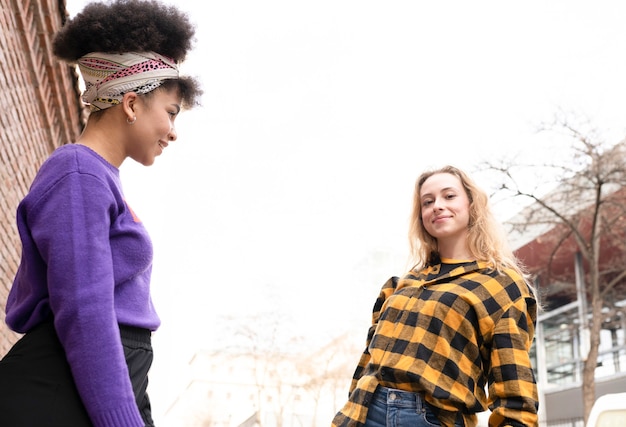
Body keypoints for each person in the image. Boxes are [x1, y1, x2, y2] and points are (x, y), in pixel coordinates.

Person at [0, 1, 202, 426]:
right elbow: (84, 307)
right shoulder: (79, 171)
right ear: (131, 104)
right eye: (170, 113)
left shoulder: (96, 177)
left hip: (96, 382)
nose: (173, 132)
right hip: (64, 386)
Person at [332, 165, 539, 427]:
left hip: (431, 418)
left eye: (449, 196)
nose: (437, 206)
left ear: (472, 204)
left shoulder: (500, 286)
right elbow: (367, 363)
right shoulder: (399, 286)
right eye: (427, 202)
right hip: (363, 413)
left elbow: (515, 390)